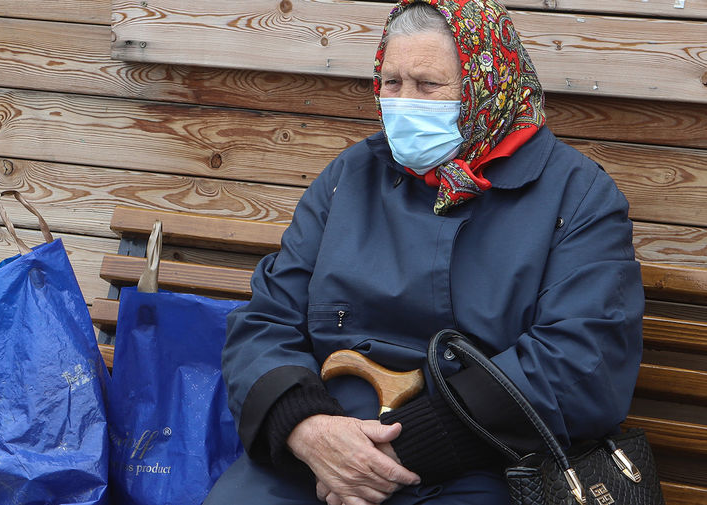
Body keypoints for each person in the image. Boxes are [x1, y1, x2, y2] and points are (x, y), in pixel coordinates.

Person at [204, 0, 644, 504]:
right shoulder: (350, 176)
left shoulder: (576, 195)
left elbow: (582, 359)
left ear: (487, 86)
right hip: (325, 444)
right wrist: (306, 427)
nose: (404, 102)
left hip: (484, 456)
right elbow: (267, 320)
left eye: (428, 85)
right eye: (391, 83)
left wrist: (406, 447)